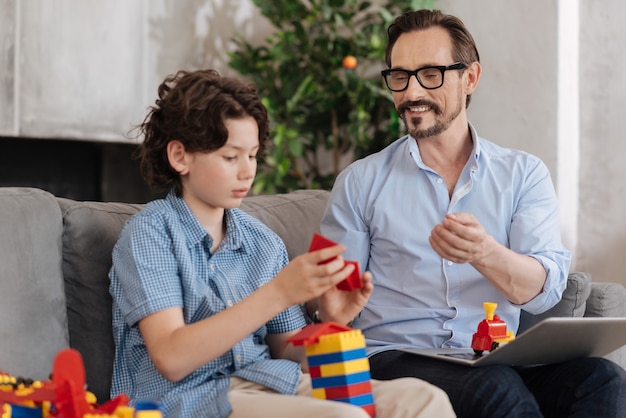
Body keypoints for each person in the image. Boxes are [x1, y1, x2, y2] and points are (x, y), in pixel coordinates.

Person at [318, 9, 626, 418]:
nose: (411, 92)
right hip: (393, 360)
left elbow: (544, 292)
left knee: (601, 379)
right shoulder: (360, 182)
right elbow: (331, 305)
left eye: (430, 74)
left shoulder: (523, 174)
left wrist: (484, 253)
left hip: (493, 357)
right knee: (495, 389)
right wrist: (329, 294)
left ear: (470, 78)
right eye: (400, 76)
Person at [108, 68, 455, 418]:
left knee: (425, 399)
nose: (247, 171)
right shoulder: (150, 233)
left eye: (253, 155)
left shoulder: (262, 242)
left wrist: (331, 321)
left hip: (271, 382)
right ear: (180, 156)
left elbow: (289, 351)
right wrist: (280, 292)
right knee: (343, 417)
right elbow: (171, 358)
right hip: (188, 399)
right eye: (231, 157)